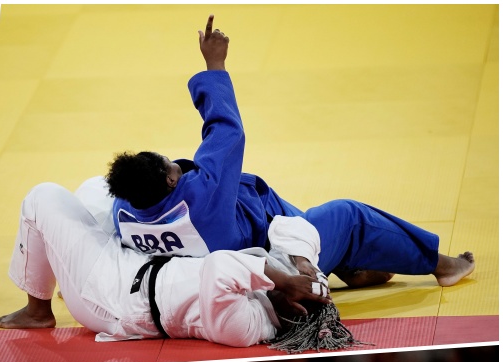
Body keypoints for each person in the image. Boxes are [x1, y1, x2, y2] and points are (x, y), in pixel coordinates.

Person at [103, 15, 474, 289]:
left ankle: (351, 265)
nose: (181, 166)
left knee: (278, 210)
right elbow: (226, 131)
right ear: (171, 180)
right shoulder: (203, 194)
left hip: (229, 270)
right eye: (174, 166)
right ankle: (441, 265)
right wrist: (215, 64)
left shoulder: (124, 213)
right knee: (348, 216)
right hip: (273, 268)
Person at [0, 180, 331, 348]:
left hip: (113, 298)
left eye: (298, 295)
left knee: (43, 197)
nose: (288, 283)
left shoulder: (247, 327)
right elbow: (294, 225)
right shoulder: (284, 285)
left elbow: (219, 269)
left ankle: (38, 310)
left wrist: (285, 281)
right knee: (98, 188)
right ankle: (65, 275)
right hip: (142, 265)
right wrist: (304, 266)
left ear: (295, 315)